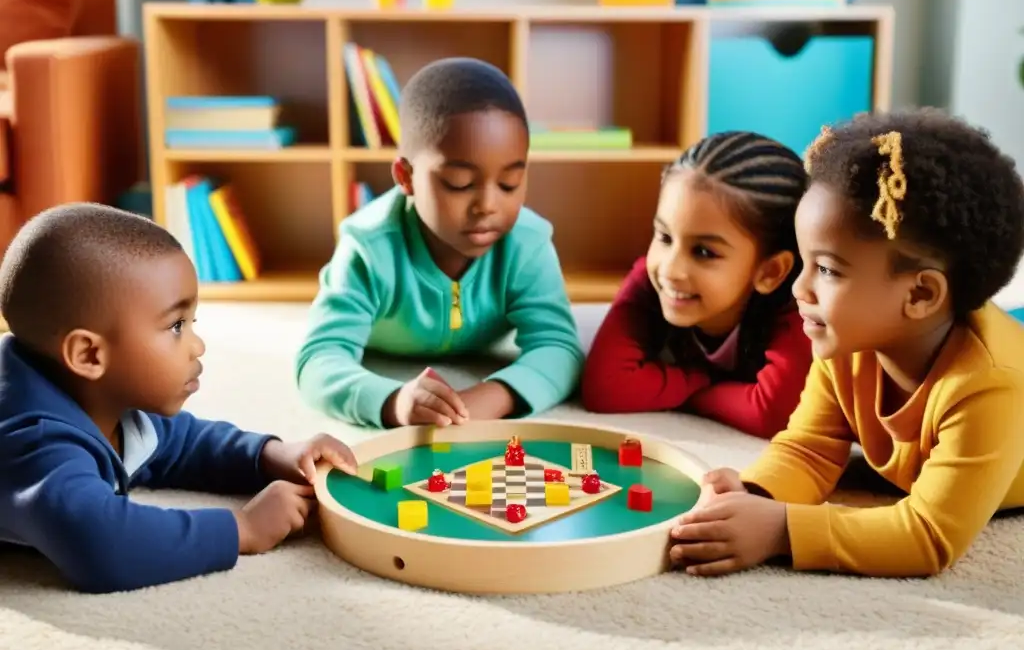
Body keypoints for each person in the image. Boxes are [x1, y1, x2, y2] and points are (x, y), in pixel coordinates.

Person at [670, 110, 1024, 578]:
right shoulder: (847, 342)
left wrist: (782, 530)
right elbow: (809, 449)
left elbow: (928, 536)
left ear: (920, 294)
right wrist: (756, 496)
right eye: (805, 263)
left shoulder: (990, 386)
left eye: (829, 270)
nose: (799, 289)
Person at [0, 203, 358, 594]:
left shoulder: (104, 401)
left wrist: (272, 455)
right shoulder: (36, 443)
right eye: (175, 326)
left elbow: (182, 443)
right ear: (89, 355)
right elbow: (99, 544)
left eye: (192, 323)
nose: (198, 345)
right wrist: (241, 528)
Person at [296, 57, 583, 429]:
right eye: (460, 184)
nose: (488, 205)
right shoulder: (368, 247)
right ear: (406, 177)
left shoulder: (527, 243)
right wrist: (392, 402)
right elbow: (319, 359)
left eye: (510, 183)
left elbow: (560, 348)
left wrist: (495, 395)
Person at [580, 131, 812, 438]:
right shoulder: (653, 280)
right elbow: (606, 388)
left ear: (770, 272)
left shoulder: (799, 309)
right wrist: (703, 381)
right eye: (664, 237)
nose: (671, 268)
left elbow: (774, 414)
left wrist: (694, 391)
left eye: (704, 252)